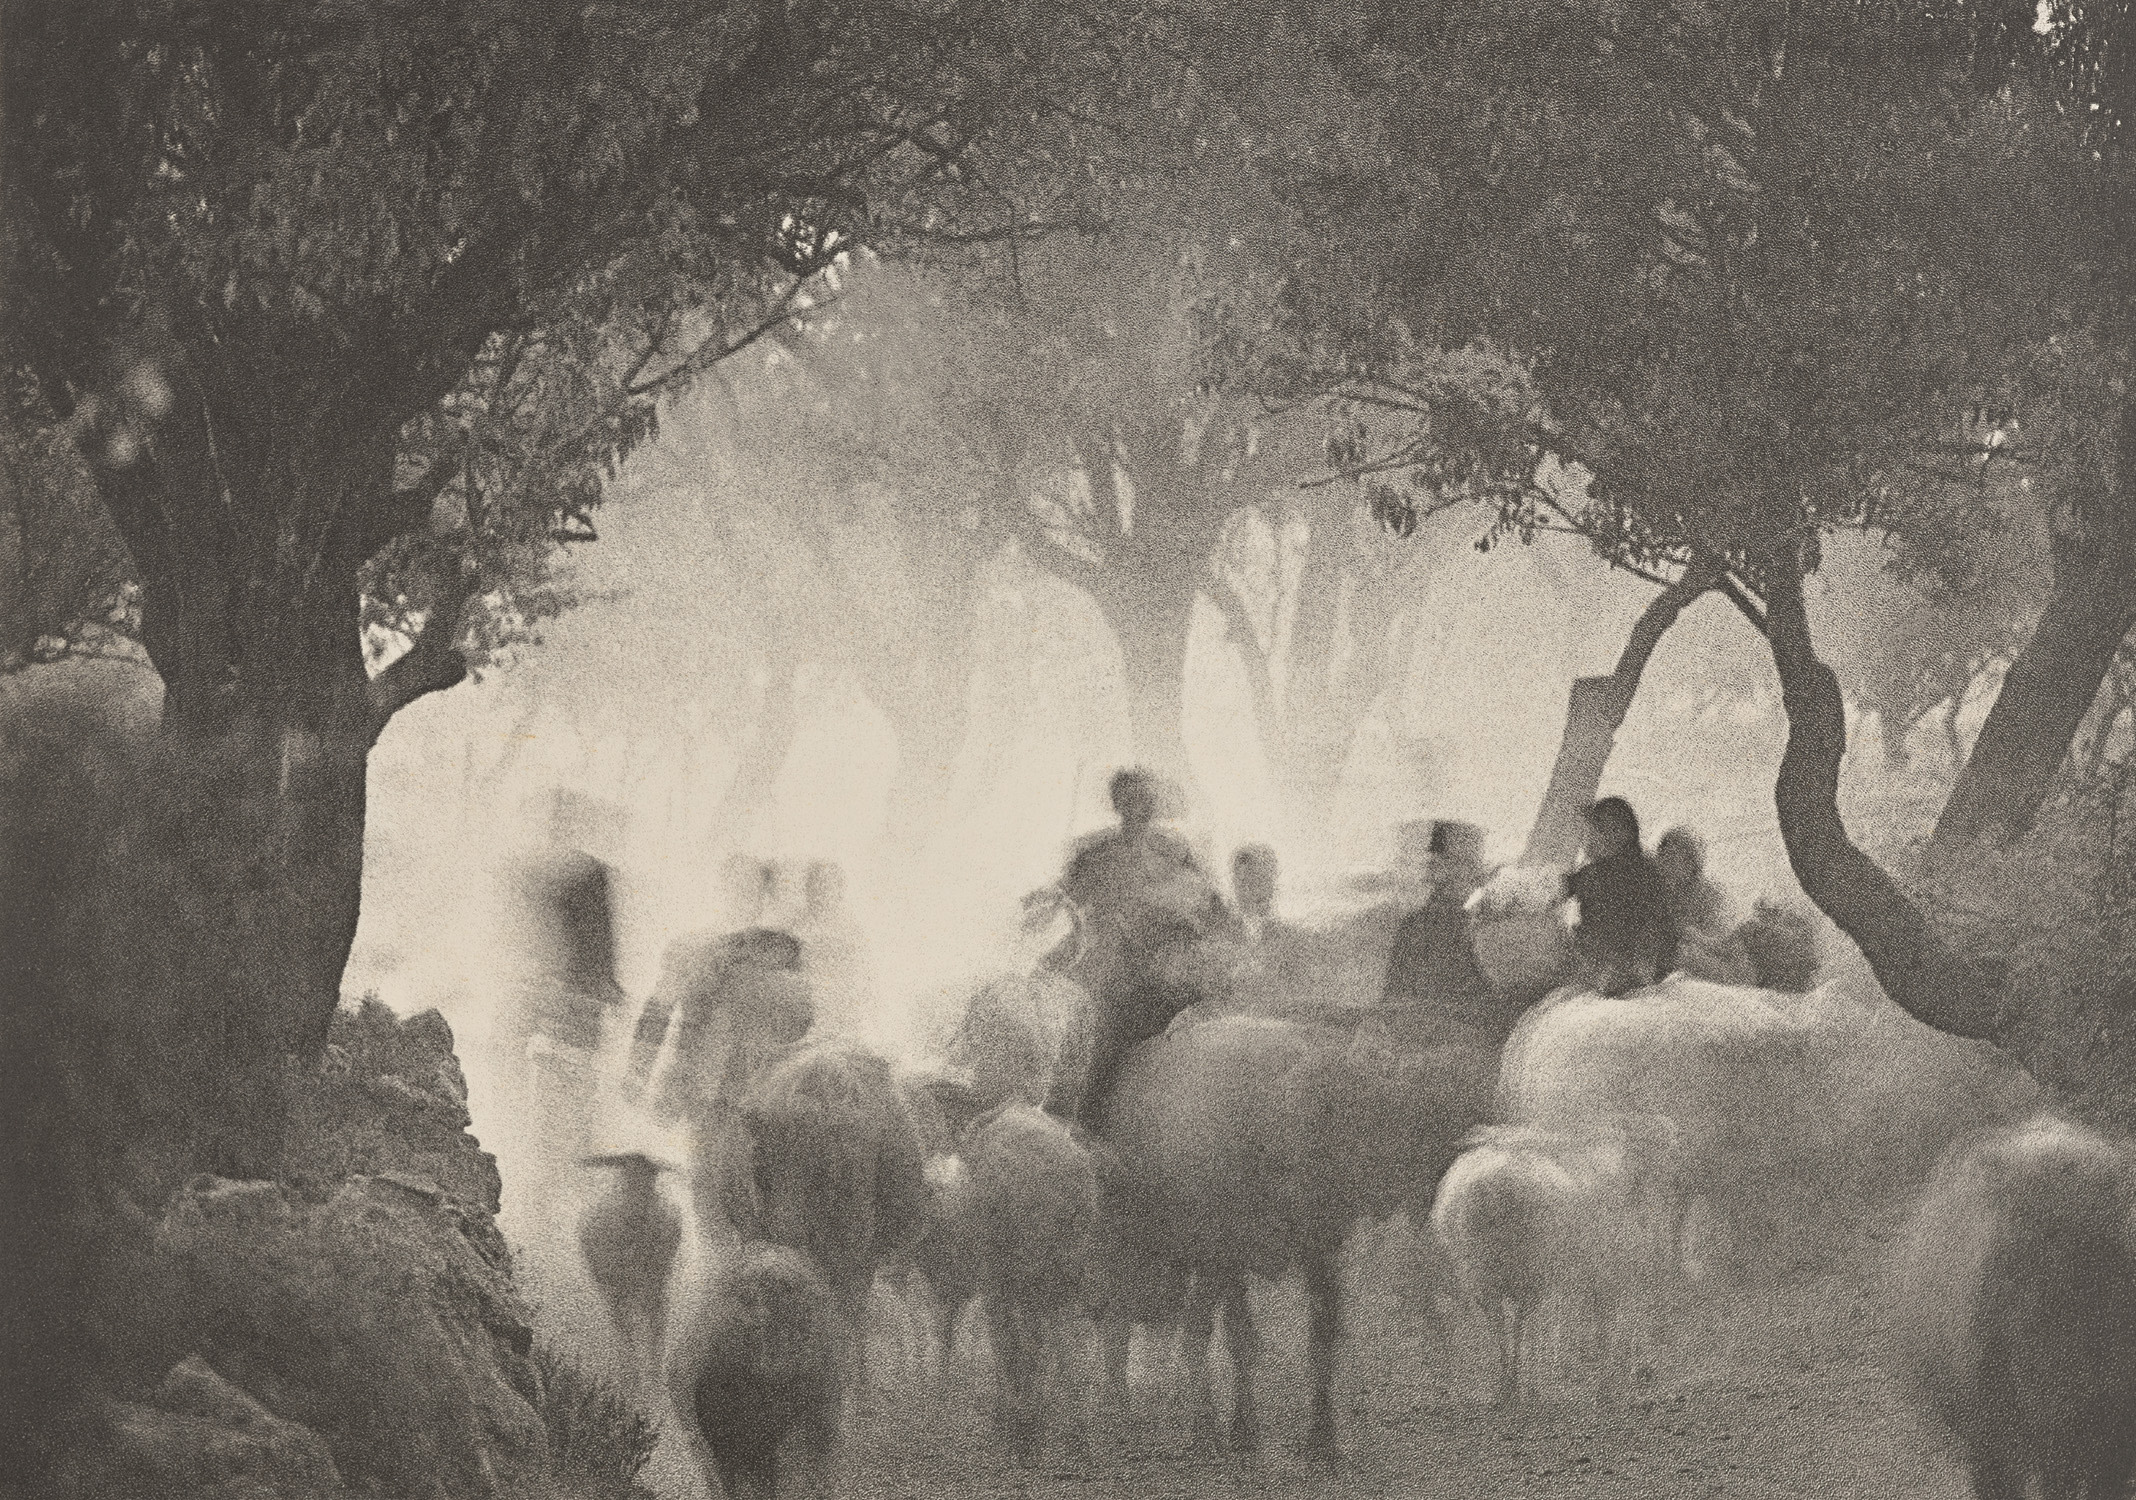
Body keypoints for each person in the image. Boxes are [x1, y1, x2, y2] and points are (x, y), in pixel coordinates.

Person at [1380, 820, 1507, 1045]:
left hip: (1424, 1033)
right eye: (1465, 865)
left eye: (1472, 866)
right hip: (1444, 1037)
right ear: (1442, 870)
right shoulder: (1464, 925)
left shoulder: (1417, 923)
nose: (1476, 877)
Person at [1563, 797, 1678, 996]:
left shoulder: (1597, 875)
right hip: (1638, 978)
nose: (1585, 841)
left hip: (1615, 982)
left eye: (1592, 832)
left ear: (1618, 834)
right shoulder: (1648, 871)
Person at [1654, 826, 1756, 985]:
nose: (1665, 865)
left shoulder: (1711, 895)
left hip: (1717, 962)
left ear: (1692, 863)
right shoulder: (1658, 891)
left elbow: (1722, 942)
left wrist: (1691, 937)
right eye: (1663, 856)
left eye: (1673, 858)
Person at [794, 859, 875, 1039]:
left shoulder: (851, 928)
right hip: (808, 1004)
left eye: (827, 886)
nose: (821, 892)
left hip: (841, 1008)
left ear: (838, 891)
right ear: (808, 890)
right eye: (816, 885)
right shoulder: (796, 925)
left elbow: (862, 974)